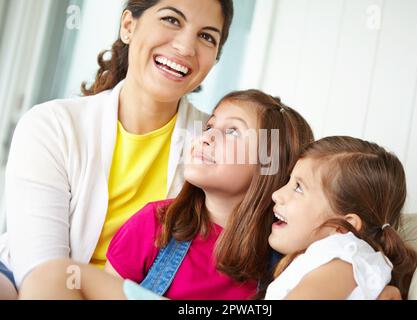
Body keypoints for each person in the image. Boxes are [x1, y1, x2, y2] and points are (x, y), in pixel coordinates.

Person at [0, 0, 234, 299]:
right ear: (128, 26)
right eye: (172, 20)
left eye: (206, 36)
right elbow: (42, 272)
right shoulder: (52, 125)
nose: (186, 47)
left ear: (214, 60)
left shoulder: (217, 146)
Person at [19, 89, 315, 299]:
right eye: (210, 125)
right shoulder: (157, 222)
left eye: (233, 132)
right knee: (56, 275)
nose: (207, 136)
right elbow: (101, 291)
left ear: (270, 164)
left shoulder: (285, 259)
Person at [264, 136, 417, 300]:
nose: (276, 195)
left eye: (299, 188)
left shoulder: (343, 258)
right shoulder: (334, 260)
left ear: (343, 226)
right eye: (289, 181)